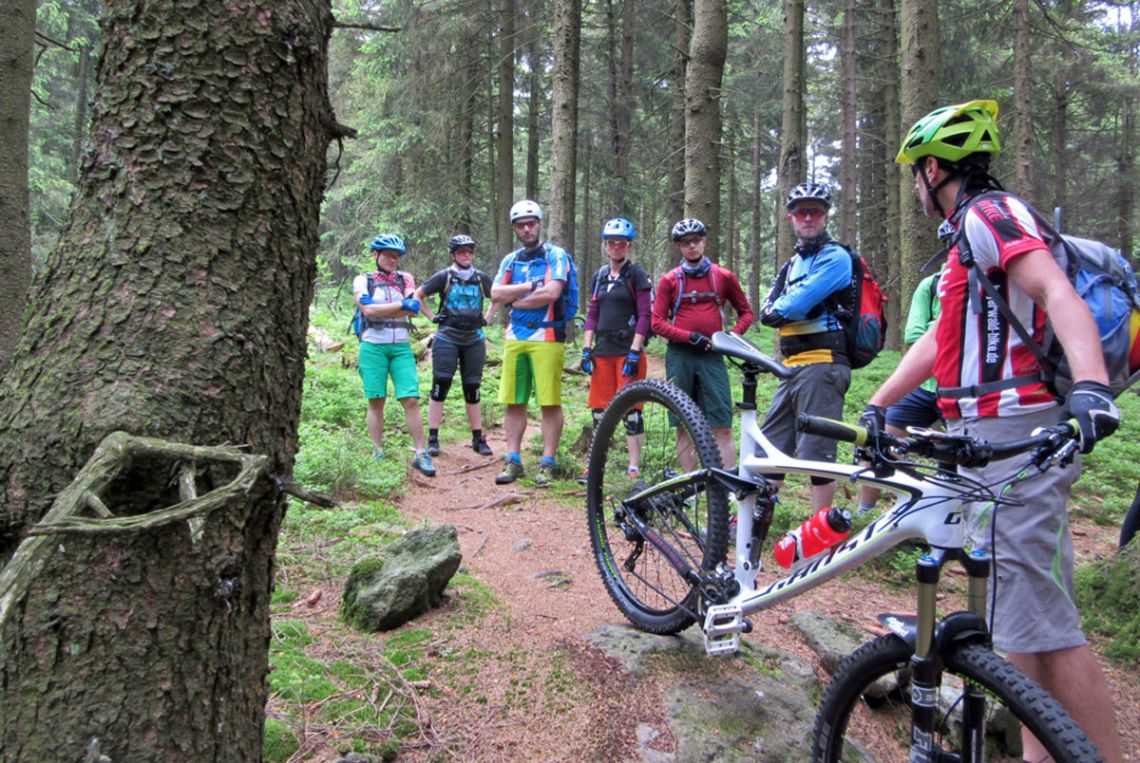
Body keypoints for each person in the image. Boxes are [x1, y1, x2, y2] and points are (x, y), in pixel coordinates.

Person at [871, 99, 1122, 761]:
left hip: (1017, 427)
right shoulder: (964, 241)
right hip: (985, 432)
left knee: (1049, 625)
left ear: (933, 169)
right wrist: (880, 401)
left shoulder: (990, 213)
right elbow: (936, 344)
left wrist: (1092, 386)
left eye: (916, 174)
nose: (916, 188)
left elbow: (1054, 292)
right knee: (1021, 625)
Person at [757, 182, 854, 513]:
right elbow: (766, 310)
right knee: (767, 451)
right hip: (792, 368)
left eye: (815, 211)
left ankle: (820, 538)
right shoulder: (791, 264)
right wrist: (783, 307)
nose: (808, 218)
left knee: (817, 456)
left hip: (823, 365)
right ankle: (752, 523)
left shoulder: (836, 257)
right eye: (801, 212)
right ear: (790, 219)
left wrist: (785, 307)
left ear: (825, 216)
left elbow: (792, 307)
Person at [651, 218, 754, 470]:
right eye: (685, 243)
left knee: (722, 423)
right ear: (679, 247)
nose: (692, 246)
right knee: (683, 423)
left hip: (712, 356)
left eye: (696, 240)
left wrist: (730, 338)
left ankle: (728, 486)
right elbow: (656, 322)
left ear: (704, 241)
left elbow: (746, 313)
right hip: (680, 355)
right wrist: (688, 337)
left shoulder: (723, 276)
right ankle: (689, 485)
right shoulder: (670, 280)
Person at [490, 199, 574, 486]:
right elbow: (495, 293)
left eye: (531, 223)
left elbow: (552, 293)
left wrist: (515, 300)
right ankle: (512, 460)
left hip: (548, 334)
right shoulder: (510, 260)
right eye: (521, 225)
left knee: (549, 402)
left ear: (540, 224)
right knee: (514, 400)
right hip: (515, 336)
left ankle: (548, 462)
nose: (526, 229)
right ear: (515, 228)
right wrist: (527, 288)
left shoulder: (556, 255)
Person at [856, 264, 944, 515]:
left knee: (960, 459)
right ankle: (866, 512)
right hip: (922, 387)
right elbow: (913, 334)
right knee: (875, 439)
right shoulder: (931, 285)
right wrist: (946, 328)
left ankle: (940, 515)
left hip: (961, 390)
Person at [354, 234, 436, 477]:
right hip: (372, 346)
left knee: (410, 398)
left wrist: (388, 309)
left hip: (401, 346)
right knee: (376, 400)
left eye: (396, 256)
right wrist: (401, 307)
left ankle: (421, 453)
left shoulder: (405, 279)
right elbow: (368, 309)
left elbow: (414, 306)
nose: (393, 260)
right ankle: (377, 452)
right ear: (375, 255)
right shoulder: (363, 280)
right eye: (388, 255)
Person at [579, 217, 653, 482]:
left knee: (631, 411)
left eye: (621, 244)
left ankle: (633, 467)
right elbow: (592, 313)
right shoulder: (600, 276)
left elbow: (645, 314)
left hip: (627, 351)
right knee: (600, 411)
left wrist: (635, 350)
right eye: (612, 243)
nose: (616, 248)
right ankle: (596, 466)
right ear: (605, 245)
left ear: (628, 247)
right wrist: (586, 348)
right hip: (602, 351)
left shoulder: (637, 274)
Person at [414, 234, 497, 458]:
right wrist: (432, 317)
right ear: (453, 255)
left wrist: (488, 317)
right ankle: (433, 437)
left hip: (474, 339)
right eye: (462, 251)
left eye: (469, 250)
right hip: (447, 337)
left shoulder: (480, 278)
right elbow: (418, 295)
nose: (467, 254)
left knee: (473, 387)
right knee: (441, 383)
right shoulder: (444, 276)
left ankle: (478, 438)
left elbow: (497, 297)